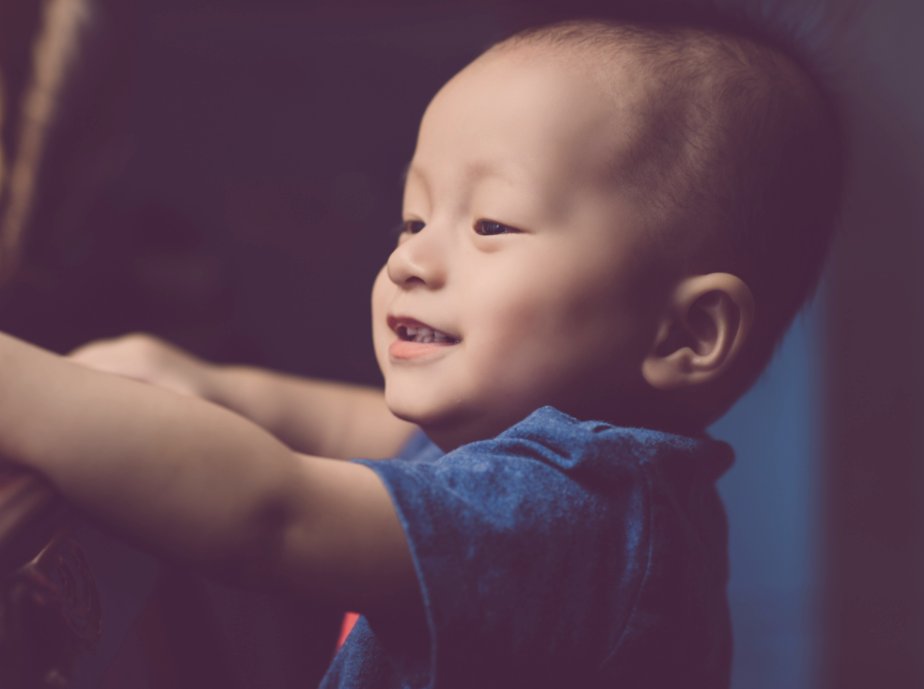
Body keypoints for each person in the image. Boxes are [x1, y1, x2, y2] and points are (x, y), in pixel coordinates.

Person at [0, 13, 843, 689]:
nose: (410, 258)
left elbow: (271, 513)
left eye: (490, 225)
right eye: (413, 219)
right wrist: (220, 386)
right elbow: (364, 426)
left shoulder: (568, 519)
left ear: (686, 333)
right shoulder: (591, 474)